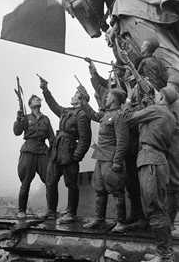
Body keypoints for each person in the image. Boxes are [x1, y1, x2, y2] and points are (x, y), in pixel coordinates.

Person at [123, 86, 178, 262]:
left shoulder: (156, 110)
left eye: (156, 94)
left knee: (154, 209)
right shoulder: (169, 116)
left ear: (162, 97)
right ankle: (165, 252)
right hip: (158, 160)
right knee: (159, 207)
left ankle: (164, 255)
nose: (154, 96)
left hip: (150, 159)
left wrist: (128, 100)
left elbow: (127, 118)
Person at [38, 79, 91, 224]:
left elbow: (85, 138)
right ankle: (51, 212)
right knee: (50, 181)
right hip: (56, 151)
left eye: (75, 95)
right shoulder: (66, 111)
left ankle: (71, 213)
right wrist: (45, 90)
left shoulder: (82, 115)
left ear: (81, 99)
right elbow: (53, 105)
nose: (72, 97)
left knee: (71, 184)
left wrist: (78, 155)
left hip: (69, 152)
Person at [81, 88, 130, 234]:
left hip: (111, 158)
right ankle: (99, 219)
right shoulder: (107, 114)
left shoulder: (119, 116)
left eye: (107, 96)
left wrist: (117, 161)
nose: (105, 98)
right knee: (99, 189)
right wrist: (83, 101)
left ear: (113, 99)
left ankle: (121, 222)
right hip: (101, 157)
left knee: (116, 190)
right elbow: (92, 114)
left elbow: (123, 141)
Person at [13, 94, 54, 219]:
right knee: (25, 182)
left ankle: (51, 211)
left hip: (42, 151)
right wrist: (18, 119)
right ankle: (21, 211)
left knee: (49, 181)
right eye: (34, 100)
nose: (37, 100)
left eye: (38, 99)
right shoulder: (25, 118)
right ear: (30, 105)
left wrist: (54, 152)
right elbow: (17, 132)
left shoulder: (46, 119)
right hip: (28, 151)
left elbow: (51, 137)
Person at [166, 75, 179, 231]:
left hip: (174, 142)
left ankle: (170, 222)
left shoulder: (174, 103)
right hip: (174, 142)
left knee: (173, 184)